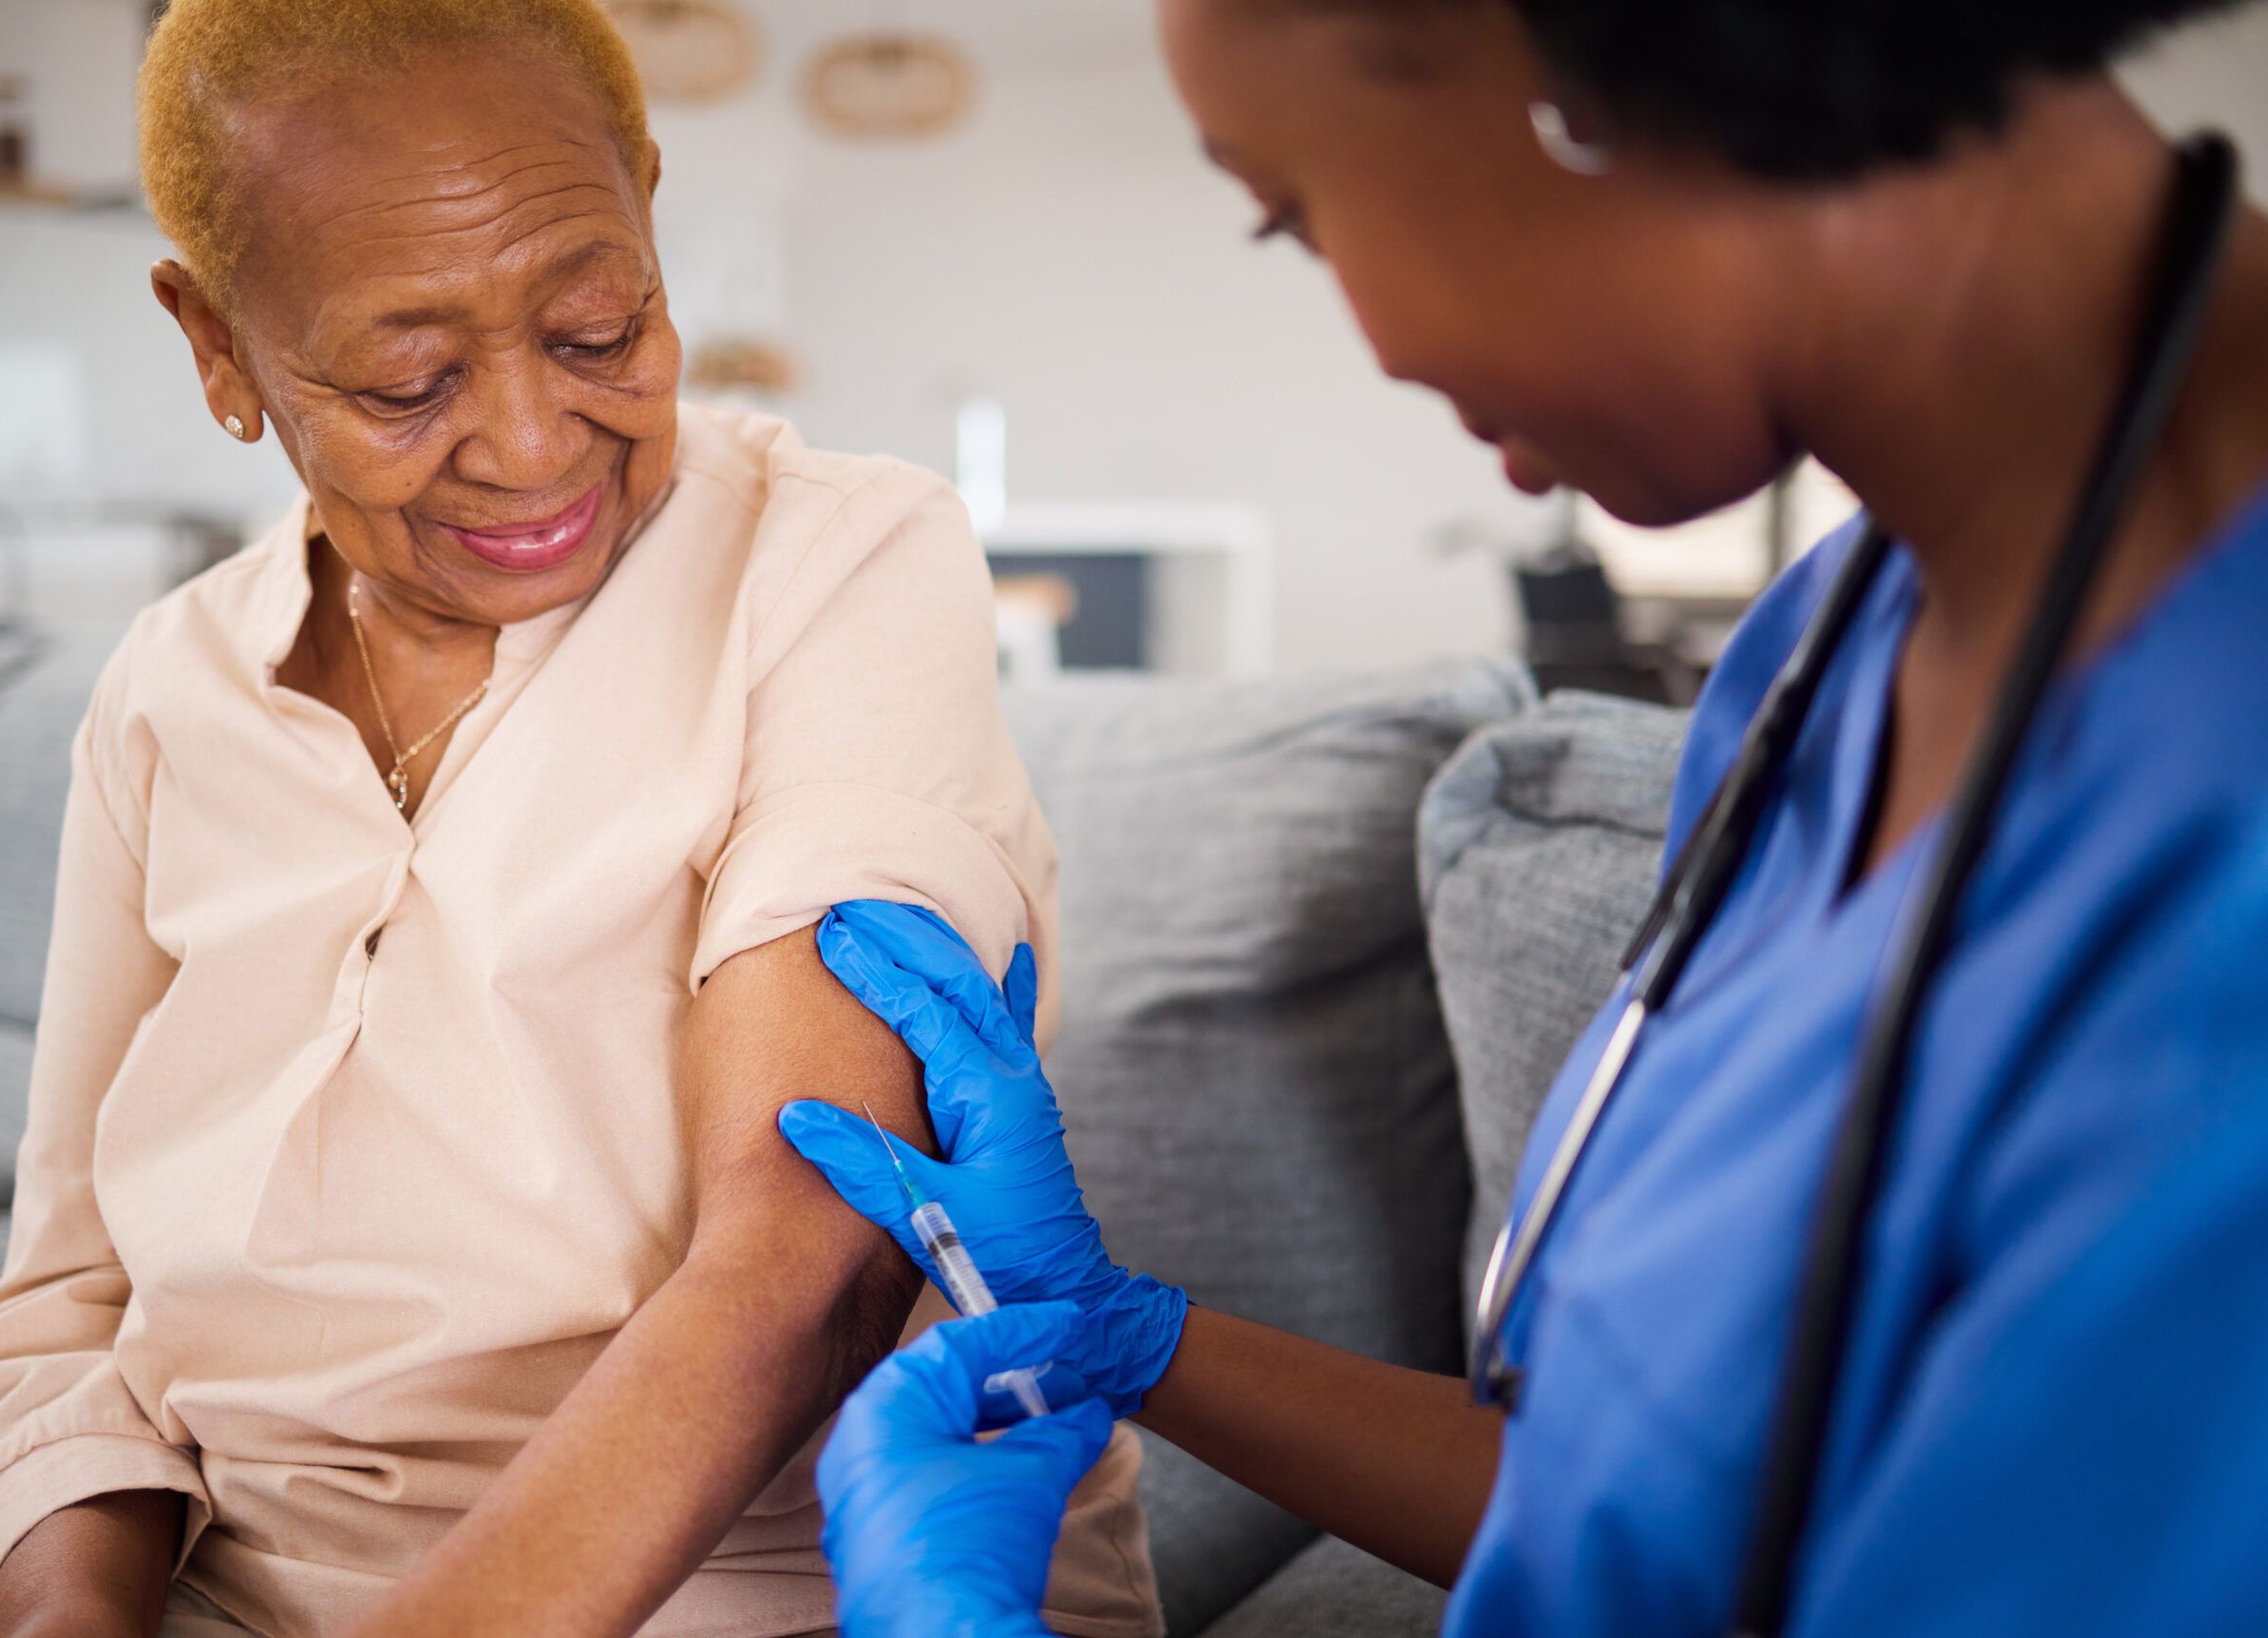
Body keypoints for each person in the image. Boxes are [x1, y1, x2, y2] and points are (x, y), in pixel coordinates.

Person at [780, 1, 2268, 1634]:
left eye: (1293, 215)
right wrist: (1123, 1331)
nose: (1378, 344)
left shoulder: (2212, 884)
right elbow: (1674, 1519)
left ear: (1577, 72)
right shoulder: (1828, 652)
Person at [0, 4, 1161, 1637]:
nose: (531, 442)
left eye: (595, 326)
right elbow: (69, 1303)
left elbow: (808, 1260)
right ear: (214, 346)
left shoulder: (838, 561)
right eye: (407, 379)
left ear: (644, 203)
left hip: (762, 1588)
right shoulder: (168, 689)